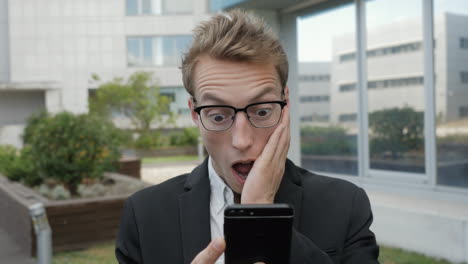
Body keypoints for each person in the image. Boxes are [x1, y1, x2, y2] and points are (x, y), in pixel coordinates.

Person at [115, 9, 379, 264]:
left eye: (262, 111)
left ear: (285, 103)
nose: (241, 140)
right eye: (218, 116)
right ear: (195, 114)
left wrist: (262, 212)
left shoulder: (345, 205)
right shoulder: (144, 215)